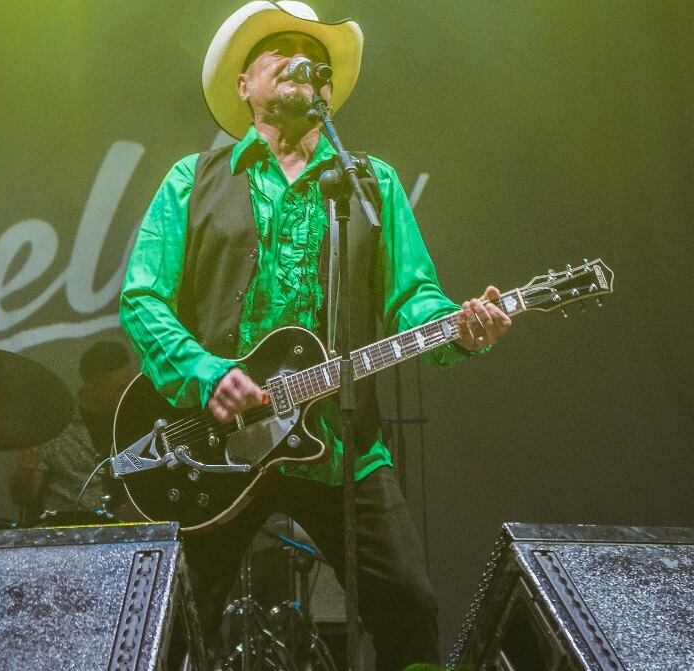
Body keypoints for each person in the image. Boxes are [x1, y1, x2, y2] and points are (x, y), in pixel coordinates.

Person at [118, 2, 511, 668]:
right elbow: (142, 296)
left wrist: (460, 329)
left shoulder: (369, 183)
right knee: (173, 623)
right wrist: (206, 372)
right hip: (216, 451)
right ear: (243, 85)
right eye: (282, 51)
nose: (306, 62)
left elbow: (412, 295)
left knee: (412, 609)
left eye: (315, 57)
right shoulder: (192, 180)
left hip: (338, 443)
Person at [9, 340, 139, 519]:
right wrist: (26, 467)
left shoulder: (134, 419)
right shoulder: (55, 425)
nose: (127, 393)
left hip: (128, 531)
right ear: (91, 384)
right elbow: (22, 498)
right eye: (118, 389)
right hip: (69, 532)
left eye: (128, 385)